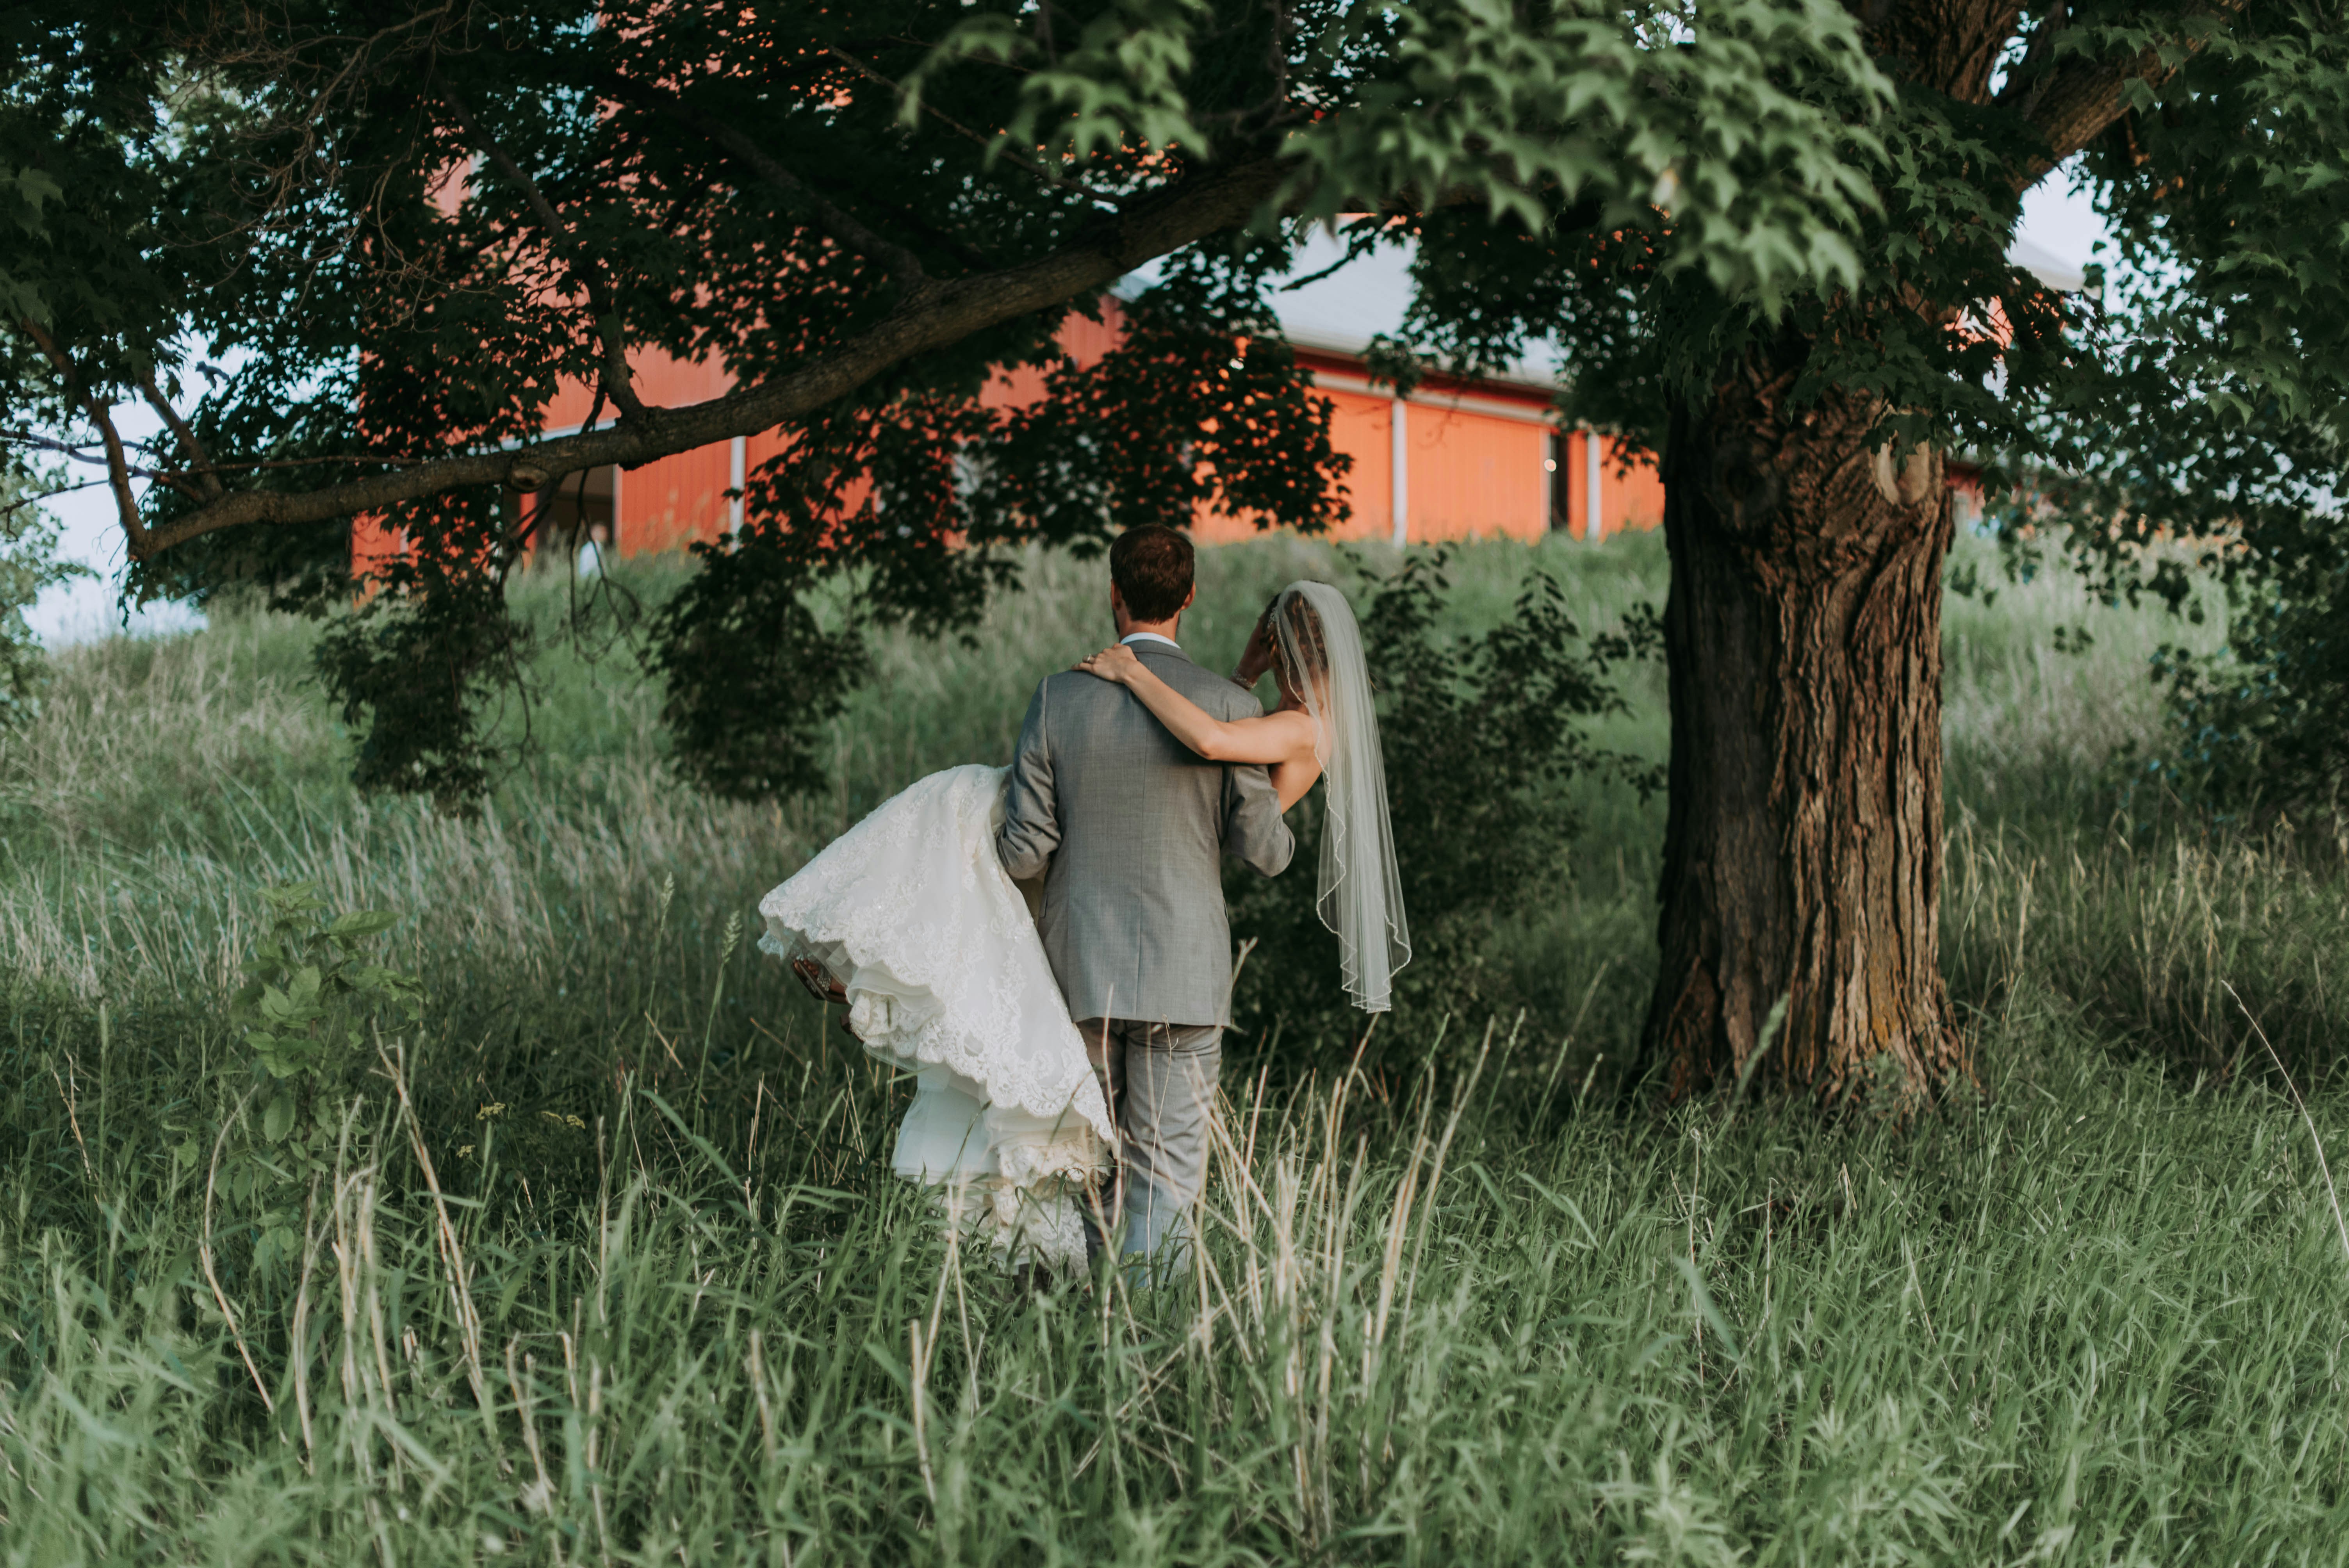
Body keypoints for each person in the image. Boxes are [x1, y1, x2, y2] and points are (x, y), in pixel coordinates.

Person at [754, 525, 1296, 1277]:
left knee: (1088, 1168)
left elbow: (1023, 853)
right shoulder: (1231, 706)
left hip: (1081, 972)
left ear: (1113, 594)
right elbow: (1264, 852)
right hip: (1188, 977)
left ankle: (1098, 1319)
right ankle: (1151, 1339)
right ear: (1190, 598)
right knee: (1167, 1175)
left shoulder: (1058, 698)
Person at [1072, 578, 1411, 1014]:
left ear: (1281, 648)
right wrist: (1246, 672)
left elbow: (1213, 739)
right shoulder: (1309, 715)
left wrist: (1131, 671)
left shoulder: (1303, 727)